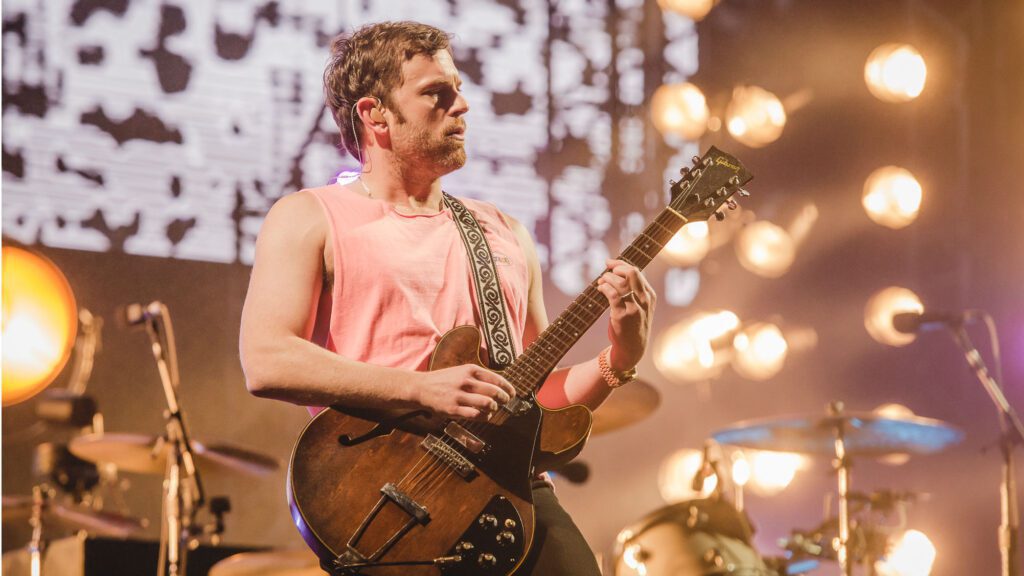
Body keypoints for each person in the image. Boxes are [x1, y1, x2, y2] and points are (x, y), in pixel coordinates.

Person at [239, 20, 655, 575]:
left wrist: (619, 358)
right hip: (386, 492)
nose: (462, 106)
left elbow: (537, 398)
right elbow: (266, 359)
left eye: (458, 90)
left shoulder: (504, 232)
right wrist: (421, 388)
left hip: (513, 493)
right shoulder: (309, 217)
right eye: (437, 93)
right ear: (375, 114)